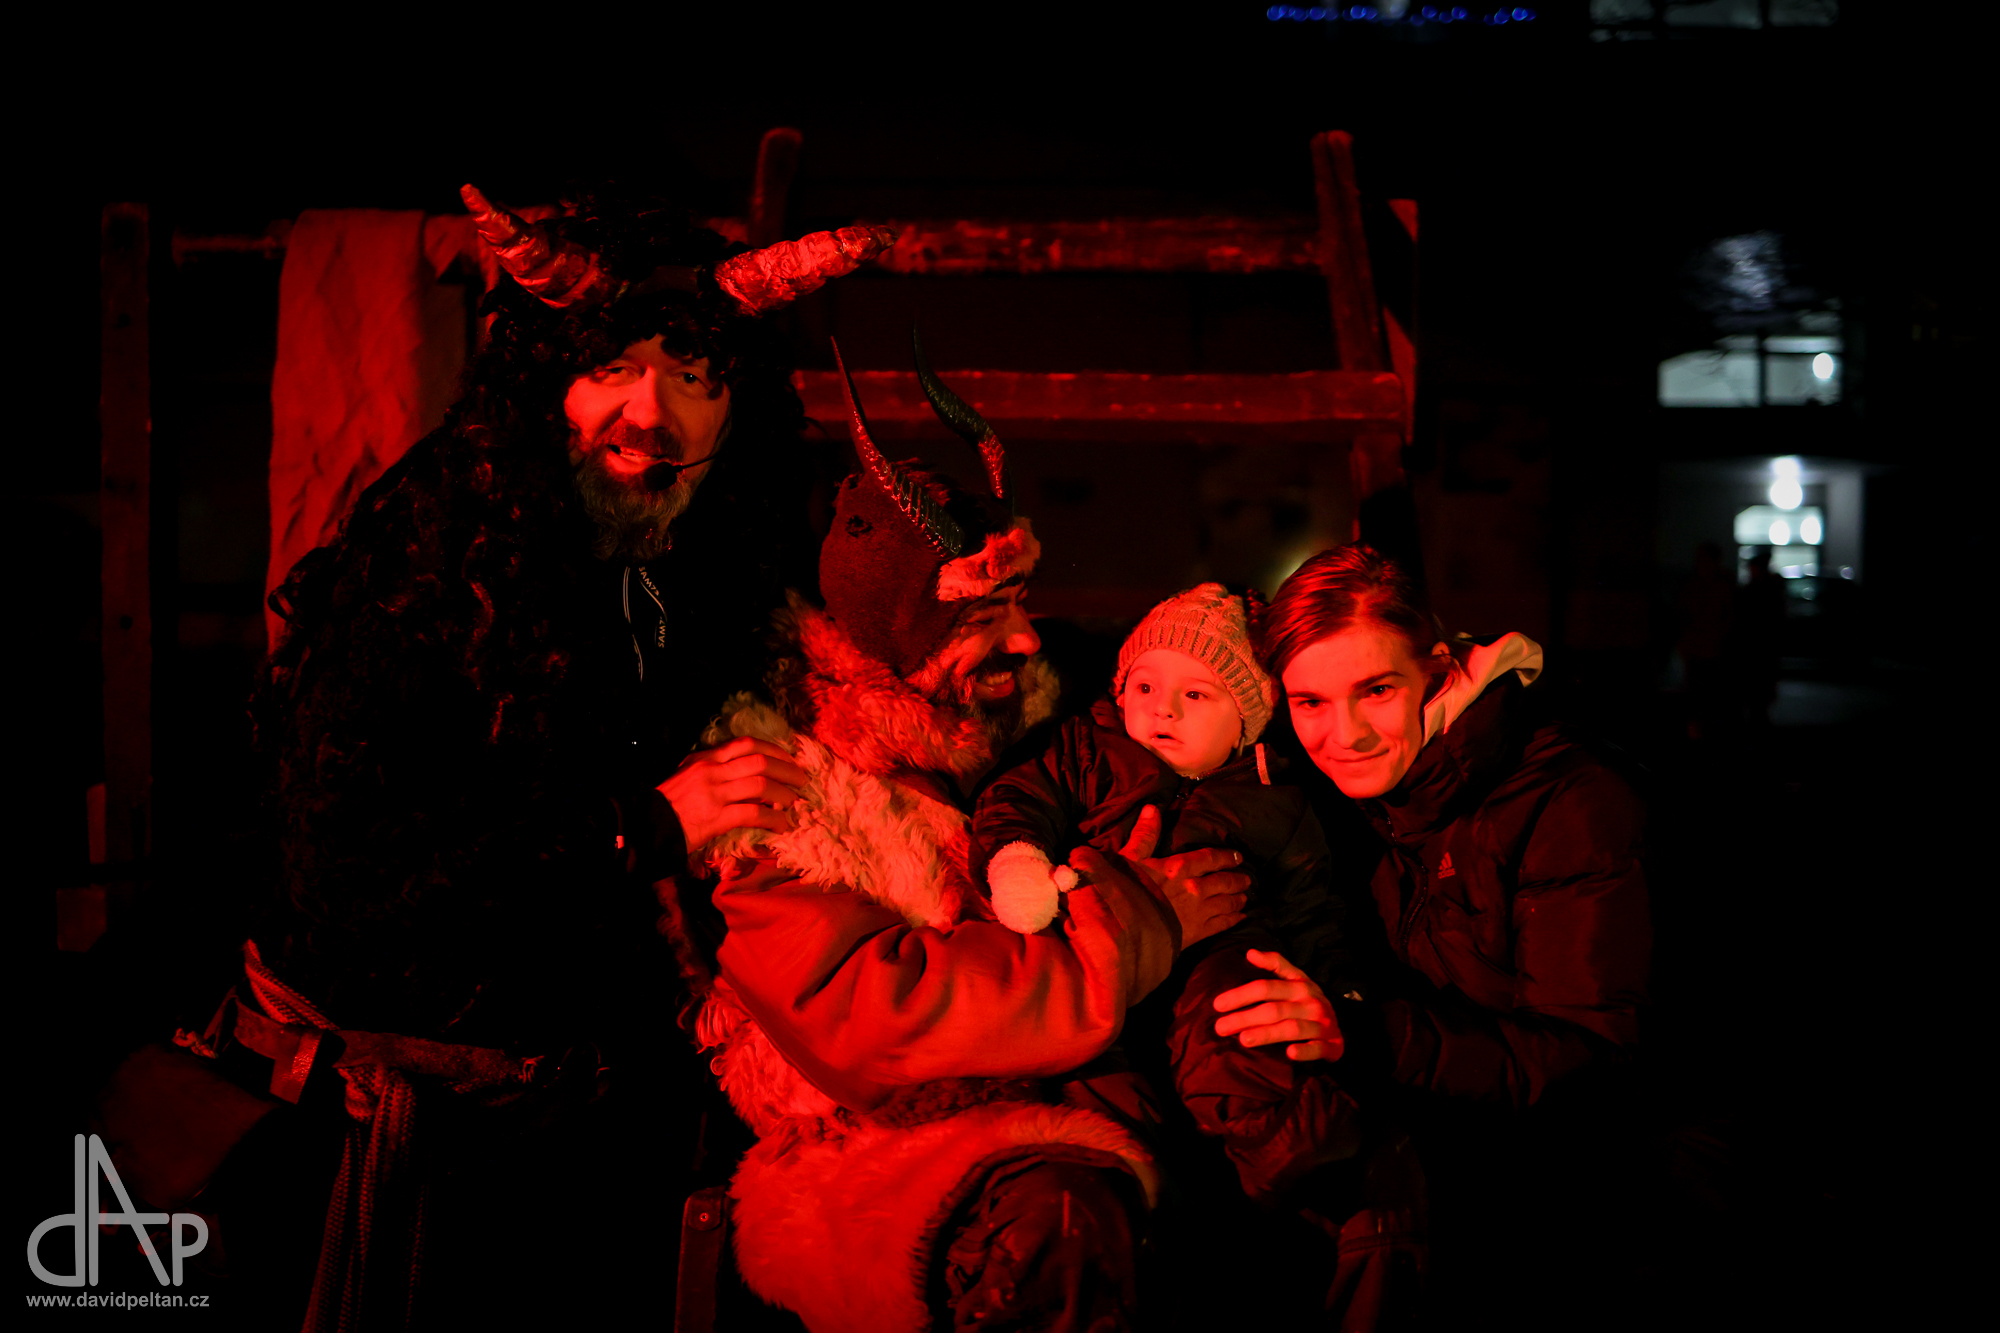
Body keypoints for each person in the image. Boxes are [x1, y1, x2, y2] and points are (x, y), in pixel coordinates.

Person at [201, 187, 894, 1327]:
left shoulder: (681, 564)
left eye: (694, 377)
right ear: (541, 384)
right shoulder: (432, 563)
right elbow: (348, 883)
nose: (648, 413)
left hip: (571, 1116)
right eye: (610, 368)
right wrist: (641, 827)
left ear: (738, 415)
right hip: (401, 1133)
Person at [669, 355, 1250, 1332]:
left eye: (1022, 605)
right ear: (897, 632)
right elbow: (874, 1015)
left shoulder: (1042, 733)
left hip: (1083, 1084)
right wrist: (1140, 925)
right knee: (1057, 1227)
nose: (1026, 641)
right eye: (986, 617)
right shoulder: (780, 792)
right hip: (879, 1148)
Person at [1218, 542, 1651, 1325]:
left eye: (1377, 690)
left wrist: (1358, 1033)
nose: (1345, 733)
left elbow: (1592, 1060)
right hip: (1438, 1130)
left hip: (1593, 1170)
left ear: (1439, 673)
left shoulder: (1568, 800)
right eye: (1310, 701)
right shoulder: (1330, 796)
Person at [971, 582, 1365, 1206]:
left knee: (1245, 1020)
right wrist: (1018, 861)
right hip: (1099, 955)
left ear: (1246, 721)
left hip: (1222, 952)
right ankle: (1133, 1188)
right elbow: (1021, 796)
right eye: (1146, 687)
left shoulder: (1273, 799)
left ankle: (1293, 1156)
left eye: (1196, 695)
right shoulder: (1088, 748)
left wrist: (1338, 990)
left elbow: (1311, 904)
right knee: (1101, 1084)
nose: (1164, 711)